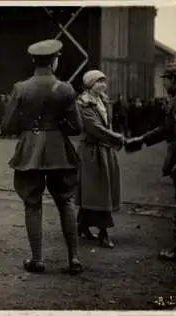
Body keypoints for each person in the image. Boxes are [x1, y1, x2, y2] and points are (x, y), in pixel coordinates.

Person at [2, 39, 83, 274]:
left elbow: (7, 124)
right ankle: (74, 258)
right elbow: (76, 127)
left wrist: (28, 128)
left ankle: (37, 259)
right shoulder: (66, 89)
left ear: (34, 61)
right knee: (65, 202)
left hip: (30, 151)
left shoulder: (21, 88)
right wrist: (58, 126)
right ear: (54, 61)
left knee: (32, 204)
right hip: (58, 150)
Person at [125, 63, 176, 265]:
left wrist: (174, 162)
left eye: (167, 79)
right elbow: (165, 129)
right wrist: (142, 140)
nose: (164, 83)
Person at [75, 70, 126, 248]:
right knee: (98, 190)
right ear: (89, 84)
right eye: (98, 82)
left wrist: (112, 140)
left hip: (105, 150)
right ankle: (103, 231)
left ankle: (82, 225)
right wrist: (117, 138)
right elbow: (94, 128)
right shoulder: (83, 103)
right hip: (91, 152)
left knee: (97, 189)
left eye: (104, 82)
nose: (102, 85)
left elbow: (106, 124)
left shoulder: (103, 101)